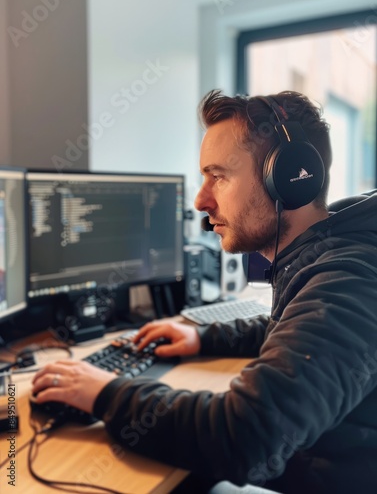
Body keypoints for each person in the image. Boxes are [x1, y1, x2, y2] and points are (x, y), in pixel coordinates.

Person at [32, 90, 377, 494]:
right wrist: (203, 336)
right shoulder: (324, 256)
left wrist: (105, 394)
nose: (200, 200)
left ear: (286, 176)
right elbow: (293, 327)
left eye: (219, 176)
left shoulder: (349, 277)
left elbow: (247, 436)